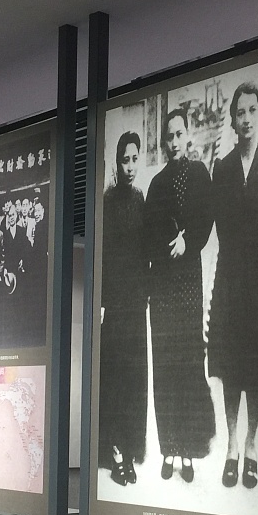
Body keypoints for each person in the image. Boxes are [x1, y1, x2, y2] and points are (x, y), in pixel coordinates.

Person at [208, 81, 258, 489]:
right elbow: (220, 224)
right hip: (230, 276)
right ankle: (232, 445)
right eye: (240, 112)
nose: (246, 118)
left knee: (256, 364)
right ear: (233, 121)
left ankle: (251, 444)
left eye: (252, 110)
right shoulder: (223, 167)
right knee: (231, 364)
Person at [144, 107, 215, 481]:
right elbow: (148, 231)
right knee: (165, 364)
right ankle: (169, 448)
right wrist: (165, 246)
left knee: (188, 362)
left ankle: (188, 450)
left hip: (188, 279)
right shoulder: (156, 185)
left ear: (188, 136)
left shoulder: (200, 174)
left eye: (178, 134)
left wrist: (188, 242)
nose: (173, 142)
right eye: (168, 137)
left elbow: (206, 218)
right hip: (162, 283)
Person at [99, 131, 150, 485]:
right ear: (117, 163)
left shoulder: (140, 197)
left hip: (135, 302)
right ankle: (117, 453)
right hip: (114, 303)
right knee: (115, 378)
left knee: (134, 379)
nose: (130, 166)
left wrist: (144, 293)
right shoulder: (106, 201)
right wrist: (103, 302)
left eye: (134, 159)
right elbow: (103, 257)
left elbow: (144, 252)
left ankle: (131, 451)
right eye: (124, 160)